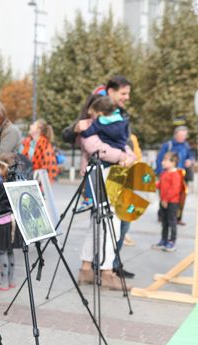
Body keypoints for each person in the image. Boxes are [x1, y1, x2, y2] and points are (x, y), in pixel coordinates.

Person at [74, 95, 136, 288]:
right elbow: (95, 148)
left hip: (111, 173)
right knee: (111, 222)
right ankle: (106, 271)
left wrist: (129, 156)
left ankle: (86, 269)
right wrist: (123, 156)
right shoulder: (87, 127)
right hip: (101, 173)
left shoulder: (104, 124)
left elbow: (122, 143)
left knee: (100, 222)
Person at [0, 153, 22, 291]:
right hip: (14, 221)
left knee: (2, 253)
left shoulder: (2, 185)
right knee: (10, 252)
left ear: (4, 168)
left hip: (3, 222)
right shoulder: (16, 183)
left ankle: (4, 283)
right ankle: (11, 280)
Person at [155, 126, 195, 224]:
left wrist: (190, 161)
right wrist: (161, 174)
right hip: (168, 175)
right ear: (175, 134)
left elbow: (191, 156)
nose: (182, 137)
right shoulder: (168, 145)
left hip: (181, 175)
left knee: (181, 198)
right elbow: (159, 159)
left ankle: (178, 218)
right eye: (180, 135)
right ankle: (162, 215)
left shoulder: (186, 146)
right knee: (165, 195)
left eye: (184, 136)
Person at [153, 152, 183, 252]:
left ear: (173, 162)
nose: (162, 162)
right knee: (164, 222)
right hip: (163, 201)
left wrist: (166, 199)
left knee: (172, 222)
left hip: (172, 202)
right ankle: (164, 240)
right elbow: (160, 185)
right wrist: (151, 186)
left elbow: (174, 189)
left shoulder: (176, 175)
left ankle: (172, 241)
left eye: (165, 160)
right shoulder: (164, 173)